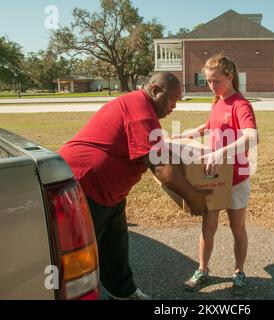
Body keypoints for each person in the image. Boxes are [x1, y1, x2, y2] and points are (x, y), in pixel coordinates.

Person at [59, 72, 211, 300]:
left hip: (109, 192)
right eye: (172, 98)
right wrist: (193, 197)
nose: (174, 106)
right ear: (156, 90)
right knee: (79, 254)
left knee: (115, 245)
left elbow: (163, 156)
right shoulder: (141, 112)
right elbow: (161, 168)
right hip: (85, 187)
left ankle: (124, 292)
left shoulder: (140, 107)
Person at [173, 54, 258, 295]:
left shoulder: (240, 104)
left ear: (230, 77)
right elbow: (211, 125)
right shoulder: (217, 100)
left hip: (236, 179)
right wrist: (190, 132)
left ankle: (239, 272)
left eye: (216, 81)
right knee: (207, 227)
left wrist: (221, 153)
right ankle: (202, 269)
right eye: (208, 81)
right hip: (212, 178)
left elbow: (252, 137)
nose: (212, 86)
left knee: (237, 228)